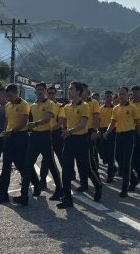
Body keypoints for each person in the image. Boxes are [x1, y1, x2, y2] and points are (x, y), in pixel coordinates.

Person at [14, 83, 62, 205]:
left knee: (51, 164)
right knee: (27, 164)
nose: (40, 92)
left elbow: (48, 118)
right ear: (35, 91)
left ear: (45, 91)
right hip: (34, 137)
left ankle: (60, 189)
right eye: (38, 90)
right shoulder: (33, 106)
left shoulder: (50, 104)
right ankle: (24, 195)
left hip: (46, 136)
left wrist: (35, 124)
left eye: (42, 89)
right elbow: (28, 121)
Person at [0, 84, 40, 204]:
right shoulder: (8, 105)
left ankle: (36, 184)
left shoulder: (24, 104)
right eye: (7, 95)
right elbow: (7, 122)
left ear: (17, 93)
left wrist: (11, 131)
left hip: (21, 138)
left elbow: (24, 122)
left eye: (10, 95)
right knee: (6, 167)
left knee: (22, 165)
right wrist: (5, 131)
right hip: (9, 138)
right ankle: (3, 195)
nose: (8, 98)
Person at [58, 81, 102, 209]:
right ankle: (67, 199)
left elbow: (83, 125)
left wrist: (69, 131)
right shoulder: (66, 107)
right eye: (69, 89)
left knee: (86, 168)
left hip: (81, 140)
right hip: (69, 141)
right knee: (66, 170)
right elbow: (65, 123)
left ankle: (98, 186)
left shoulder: (85, 106)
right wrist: (64, 131)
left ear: (78, 92)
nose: (69, 91)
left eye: (71, 89)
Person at [103, 86, 140, 197]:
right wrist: (106, 132)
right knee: (120, 161)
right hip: (119, 136)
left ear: (127, 95)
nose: (121, 96)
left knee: (126, 162)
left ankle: (124, 188)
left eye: (124, 94)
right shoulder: (115, 108)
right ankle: (134, 179)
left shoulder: (133, 108)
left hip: (129, 136)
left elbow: (138, 124)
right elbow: (112, 123)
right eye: (120, 94)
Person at [40, 85, 65, 189]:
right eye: (49, 93)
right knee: (46, 159)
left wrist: (51, 128)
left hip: (56, 133)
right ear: (46, 93)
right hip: (45, 134)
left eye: (52, 93)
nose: (50, 95)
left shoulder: (60, 106)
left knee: (61, 156)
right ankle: (42, 180)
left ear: (56, 94)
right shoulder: (42, 105)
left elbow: (61, 121)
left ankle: (67, 176)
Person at [79, 84, 102, 191]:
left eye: (84, 90)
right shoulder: (78, 103)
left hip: (89, 132)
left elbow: (97, 118)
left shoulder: (94, 102)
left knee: (90, 158)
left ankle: (97, 180)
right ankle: (84, 184)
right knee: (80, 159)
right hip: (79, 133)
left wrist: (95, 131)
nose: (83, 92)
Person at [98, 90, 115, 177]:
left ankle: (110, 173)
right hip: (101, 130)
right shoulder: (100, 109)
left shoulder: (115, 108)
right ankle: (111, 165)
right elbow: (98, 120)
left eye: (110, 97)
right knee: (101, 151)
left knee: (110, 152)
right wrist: (98, 130)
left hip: (112, 131)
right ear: (104, 98)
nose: (108, 98)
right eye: (107, 97)